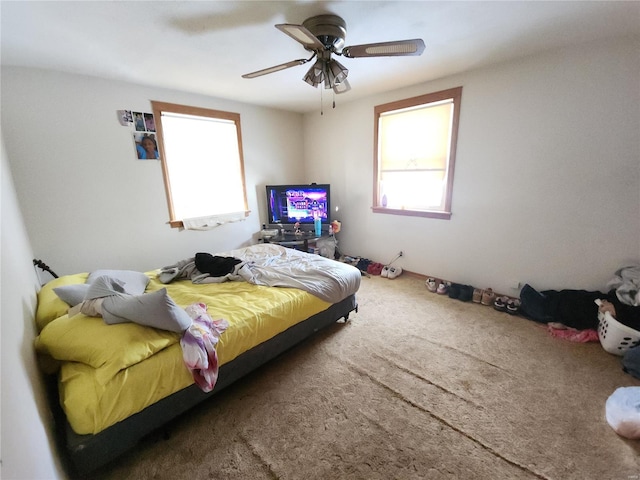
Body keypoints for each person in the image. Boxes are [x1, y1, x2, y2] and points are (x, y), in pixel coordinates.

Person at [520, 283, 640, 331]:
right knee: (583, 297)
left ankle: (545, 309)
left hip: (625, 320)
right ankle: (546, 300)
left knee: (582, 308)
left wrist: (617, 310)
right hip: (626, 306)